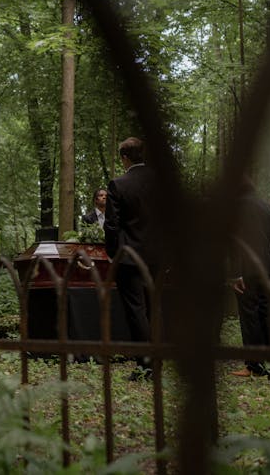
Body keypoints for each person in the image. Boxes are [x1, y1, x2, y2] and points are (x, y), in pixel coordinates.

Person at [104, 137, 160, 381]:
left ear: (124, 158)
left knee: (136, 310)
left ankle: (147, 365)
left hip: (129, 257)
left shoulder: (118, 184)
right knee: (154, 307)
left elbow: (112, 226)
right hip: (157, 256)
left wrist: (113, 254)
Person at [228, 177, 270, 378]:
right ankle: (266, 355)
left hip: (246, 269)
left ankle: (253, 365)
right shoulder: (266, 207)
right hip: (266, 268)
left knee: (249, 315)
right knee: (263, 312)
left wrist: (234, 273)